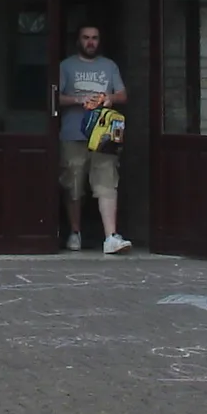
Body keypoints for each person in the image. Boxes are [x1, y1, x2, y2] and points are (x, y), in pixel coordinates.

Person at [55, 23, 129, 256]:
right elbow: (54, 96)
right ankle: (75, 233)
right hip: (73, 134)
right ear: (78, 40)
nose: (90, 42)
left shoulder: (109, 66)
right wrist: (80, 100)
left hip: (104, 137)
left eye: (94, 38)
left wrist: (108, 98)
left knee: (107, 184)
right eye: (86, 37)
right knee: (73, 185)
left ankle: (111, 237)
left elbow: (123, 95)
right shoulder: (66, 66)